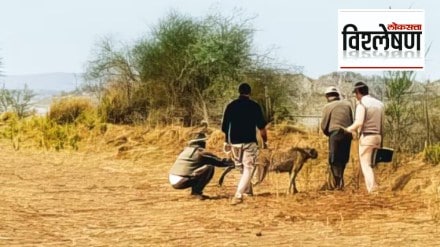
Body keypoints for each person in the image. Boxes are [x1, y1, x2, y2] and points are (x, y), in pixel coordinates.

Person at [221, 82, 268, 205]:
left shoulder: (231, 106)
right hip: (249, 142)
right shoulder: (254, 106)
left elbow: (225, 126)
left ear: (239, 92)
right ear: (249, 93)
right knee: (248, 168)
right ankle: (238, 194)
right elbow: (261, 127)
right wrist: (265, 140)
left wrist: (226, 141)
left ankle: (248, 190)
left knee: (242, 168)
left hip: (235, 143)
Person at [345, 81, 384, 193]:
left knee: (366, 165)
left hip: (367, 137)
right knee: (372, 164)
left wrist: (348, 129)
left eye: (355, 94)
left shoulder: (361, 104)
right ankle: (374, 187)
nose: (356, 96)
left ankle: (373, 190)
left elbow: (359, 122)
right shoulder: (380, 104)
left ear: (358, 92)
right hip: (378, 136)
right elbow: (382, 123)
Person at [169, 133, 234, 200]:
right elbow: (220, 162)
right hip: (181, 181)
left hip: (173, 179)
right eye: (204, 142)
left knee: (201, 169)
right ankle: (196, 193)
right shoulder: (201, 153)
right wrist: (233, 161)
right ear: (200, 143)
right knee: (209, 168)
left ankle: (195, 192)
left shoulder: (186, 150)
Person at [321, 86, 353, 190]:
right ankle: (340, 180)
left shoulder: (328, 106)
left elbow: (324, 125)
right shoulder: (348, 104)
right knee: (343, 158)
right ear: (337, 95)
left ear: (327, 96)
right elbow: (352, 121)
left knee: (333, 160)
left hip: (335, 134)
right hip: (347, 134)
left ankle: (337, 184)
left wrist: (328, 134)